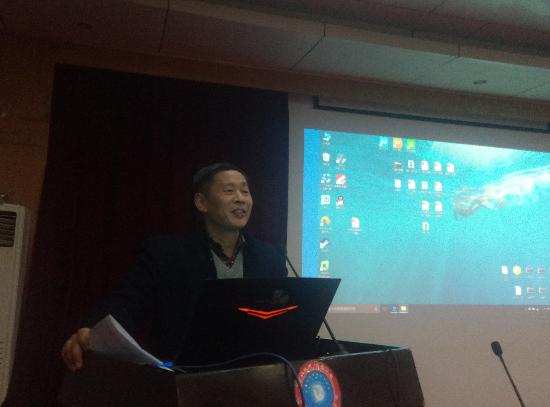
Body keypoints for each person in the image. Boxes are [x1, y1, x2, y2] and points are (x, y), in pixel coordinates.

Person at [61, 163, 288, 371]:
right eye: (229, 191)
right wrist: (92, 331)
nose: (240, 199)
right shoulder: (166, 254)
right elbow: (127, 303)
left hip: (251, 378)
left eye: (245, 192)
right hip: (180, 378)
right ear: (201, 202)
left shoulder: (270, 257)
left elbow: (281, 321)